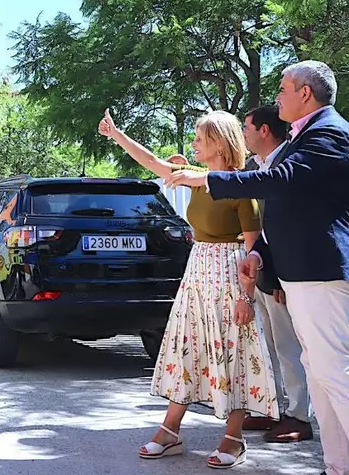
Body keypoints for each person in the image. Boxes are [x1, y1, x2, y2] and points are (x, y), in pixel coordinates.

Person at [168, 60, 349, 475]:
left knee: (334, 370)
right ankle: (338, 465)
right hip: (302, 271)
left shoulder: (329, 134)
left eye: (283, 89)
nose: (278, 97)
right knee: (319, 372)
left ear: (306, 93)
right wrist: (261, 254)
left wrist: (203, 179)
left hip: (320, 273)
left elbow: (280, 181)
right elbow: (294, 208)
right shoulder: (308, 136)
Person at [99, 108, 278, 468]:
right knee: (186, 349)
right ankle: (170, 431)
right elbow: (153, 163)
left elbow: (253, 248)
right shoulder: (198, 179)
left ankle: (234, 438)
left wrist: (245, 296)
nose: (194, 144)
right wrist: (116, 135)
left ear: (218, 143)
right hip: (197, 274)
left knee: (234, 353)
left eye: (200, 138)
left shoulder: (243, 188)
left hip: (230, 276)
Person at [239, 105, 314, 443]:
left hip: (283, 273)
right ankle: (274, 410)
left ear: (264, 131)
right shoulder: (257, 166)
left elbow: (292, 227)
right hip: (261, 269)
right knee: (269, 345)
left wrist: (283, 278)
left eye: (247, 127)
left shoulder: (289, 164)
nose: (244, 134)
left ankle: (299, 415)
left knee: (288, 347)